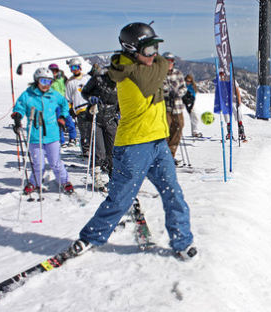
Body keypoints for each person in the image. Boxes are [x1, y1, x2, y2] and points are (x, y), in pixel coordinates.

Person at [66, 22, 196, 261]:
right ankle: (91, 236)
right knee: (120, 197)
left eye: (155, 47)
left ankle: (182, 241)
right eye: (148, 50)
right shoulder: (134, 73)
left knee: (173, 193)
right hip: (134, 145)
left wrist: (124, 60)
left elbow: (158, 63)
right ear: (130, 49)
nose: (154, 55)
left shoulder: (128, 66)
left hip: (158, 142)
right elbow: (159, 68)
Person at [11, 67, 74, 195]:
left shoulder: (54, 94)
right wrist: (17, 114)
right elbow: (20, 106)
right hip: (34, 135)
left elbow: (64, 104)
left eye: (49, 81)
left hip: (52, 135)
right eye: (43, 81)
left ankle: (64, 181)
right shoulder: (28, 94)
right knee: (38, 164)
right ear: (36, 81)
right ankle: (34, 183)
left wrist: (62, 117)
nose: (46, 85)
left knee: (55, 162)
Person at [81, 63, 119, 188]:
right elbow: (85, 92)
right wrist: (91, 98)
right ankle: (96, 176)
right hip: (95, 117)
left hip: (111, 119)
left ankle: (114, 177)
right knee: (99, 151)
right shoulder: (98, 79)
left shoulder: (123, 83)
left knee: (113, 151)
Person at [162, 52, 187, 159]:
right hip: (165, 107)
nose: (169, 63)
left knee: (178, 127)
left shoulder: (178, 73)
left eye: (171, 61)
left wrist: (178, 94)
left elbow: (183, 87)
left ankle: (171, 154)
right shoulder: (159, 74)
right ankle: (164, 154)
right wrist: (167, 93)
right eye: (167, 61)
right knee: (164, 130)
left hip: (177, 106)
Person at [65, 58, 91, 157]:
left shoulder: (87, 78)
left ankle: (96, 150)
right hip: (79, 109)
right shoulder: (70, 82)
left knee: (93, 130)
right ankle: (86, 150)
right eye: (72, 68)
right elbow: (67, 98)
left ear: (80, 67)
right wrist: (70, 109)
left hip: (90, 107)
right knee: (84, 131)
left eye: (76, 67)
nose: (75, 70)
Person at [48, 63, 77, 147]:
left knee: (68, 120)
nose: (53, 72)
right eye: (52, 71)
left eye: (55, 70)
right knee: (58, 122)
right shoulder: (48, 80)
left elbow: (69, 88)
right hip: (54, 104)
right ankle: (61, 140)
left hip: (64, 103)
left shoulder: (63, 78)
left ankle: (73, 138)